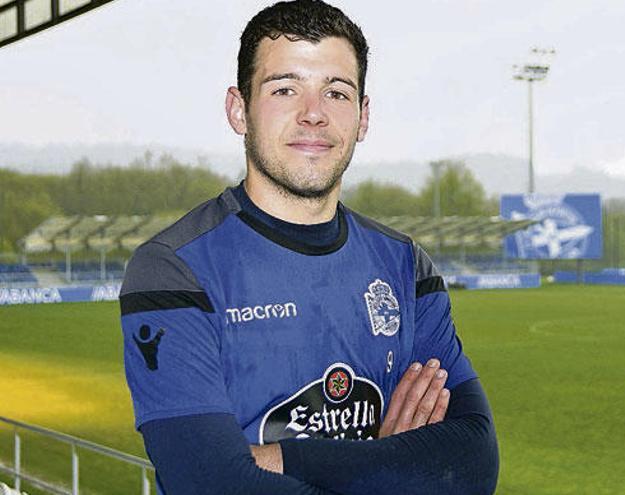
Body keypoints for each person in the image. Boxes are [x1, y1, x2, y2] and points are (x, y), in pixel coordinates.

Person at [119, 1, 499, 494]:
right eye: (285, 89)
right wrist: (392, 466)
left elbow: (473, 462)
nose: (313, 114)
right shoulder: (174, 269)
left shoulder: (405, 266)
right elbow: (210, 481)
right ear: (239, 109)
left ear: (363, 117)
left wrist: (272, 460)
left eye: (336, 93)